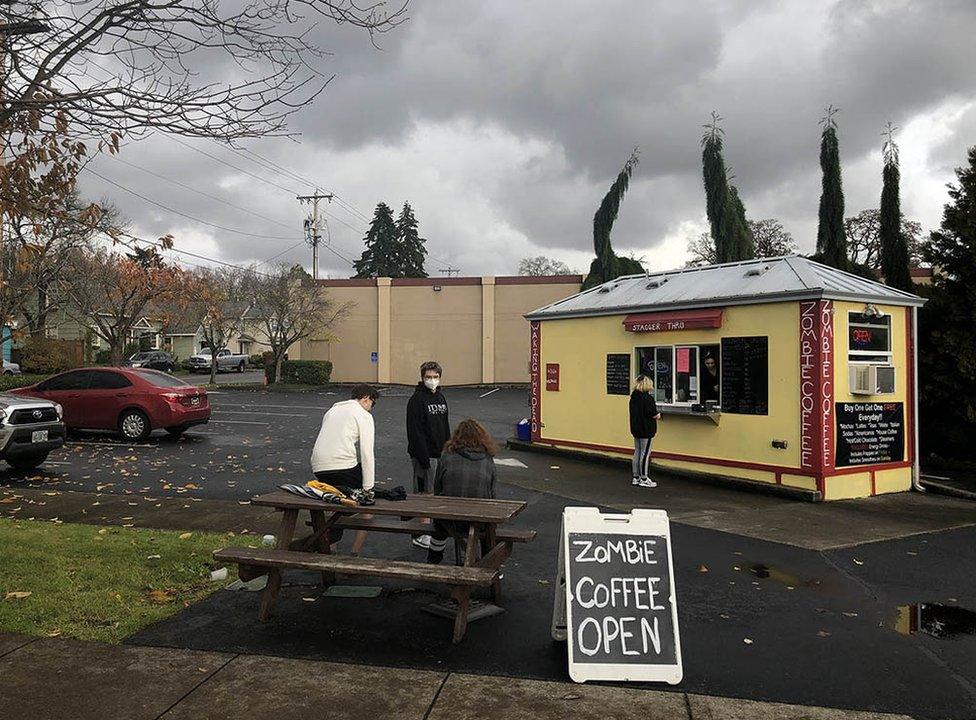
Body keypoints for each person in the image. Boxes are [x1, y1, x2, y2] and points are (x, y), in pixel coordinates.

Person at [310, 384, 379, 553]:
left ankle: (330, 549)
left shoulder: (332, 411)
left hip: (319, 467)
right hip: (342, 465)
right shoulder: (363, 415)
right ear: (366, 398)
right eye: (373, 404)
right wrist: (368, 488)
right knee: (367, 508)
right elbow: (366, 453)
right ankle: (354, 552)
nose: (371, 408)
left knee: (338, 502)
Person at [426, 419, 497, 565]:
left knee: (439, 523)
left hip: (449, 519)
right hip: (478, 519)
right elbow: (492, 493)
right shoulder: (488, 460)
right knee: (488, 527)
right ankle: (488, 562)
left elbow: (437, 488)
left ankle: (433, 559)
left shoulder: (447, 456)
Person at [406, 360, 451, 549]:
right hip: (425, 456)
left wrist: (449, 449)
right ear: (422, 377)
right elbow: (414, 431)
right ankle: (420, 533)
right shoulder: (416, 400)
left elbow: (445, 426)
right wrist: (423, 459)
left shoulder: (440, 398)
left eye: (435, 377)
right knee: (424, 494)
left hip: (441, 454)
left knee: (435, 494)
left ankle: (429, 530)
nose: (432, 380)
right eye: (428, 377)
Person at [629, 375, 661, 488]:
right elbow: (654, 414)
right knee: (645, 453)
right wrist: (658, 415)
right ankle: (644, 478)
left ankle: (635, 477)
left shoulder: (634, 397)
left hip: (635, 428)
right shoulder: (648, 399)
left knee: (637, 452)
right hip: (646, 429)